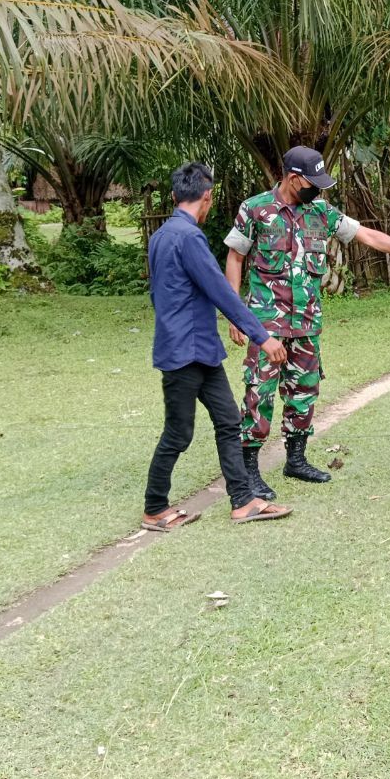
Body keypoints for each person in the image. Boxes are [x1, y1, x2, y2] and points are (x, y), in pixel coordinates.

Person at [224, 146, 390, 494]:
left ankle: (295, 460)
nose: (318, 189)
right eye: (312, 182)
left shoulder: (321, 211)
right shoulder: (255, 209)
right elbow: (236, 258)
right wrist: (236, 316)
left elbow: (366, 235)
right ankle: (250, 471)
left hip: (306, 323)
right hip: (265, 324)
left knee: (305, 391)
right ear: (293, 178)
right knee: (260, 392)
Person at [143, 162, 292, 531]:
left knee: (229, 421)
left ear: (176, 195)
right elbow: (222, 291)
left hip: (199, 350)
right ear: (206, 198)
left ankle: (243, 501)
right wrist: (263, 336)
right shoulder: (188, 238)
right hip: (184, 352)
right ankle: (155, 508)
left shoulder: (161, 235)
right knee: (178, 433)